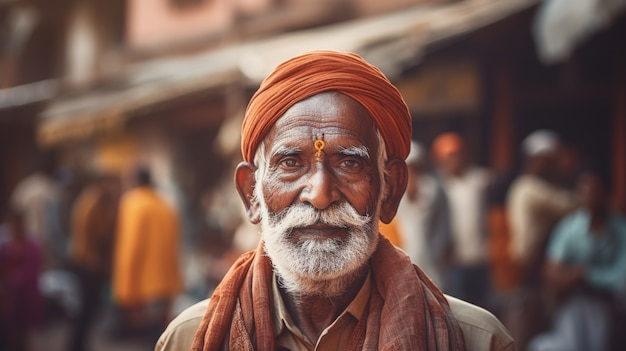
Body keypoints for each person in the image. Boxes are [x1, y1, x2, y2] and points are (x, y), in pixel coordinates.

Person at [156, 50, 514, 351]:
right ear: (251, 193)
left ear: (390, 190)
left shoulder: (478, 340)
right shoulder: (185, 339)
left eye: (349, 163)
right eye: (291, 163)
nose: (321, 194)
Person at [528, 168, 626, 351]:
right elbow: (551, 269)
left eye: (594, 191)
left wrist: (584, 274)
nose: (589, 197)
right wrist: (567, 277)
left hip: (609, 306)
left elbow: (621, 277)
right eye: (584, 191)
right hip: (573, 303)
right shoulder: (569, 227)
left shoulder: (620, 229)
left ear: (606, 193)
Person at [503, 129, 575, 350]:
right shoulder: (530, 188)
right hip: (526, 271)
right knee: (521, 332)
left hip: (530, 272)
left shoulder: (528, 186)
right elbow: (570, 204)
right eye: (549, 161)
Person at [112, 167, 182, 342]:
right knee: (160, 335)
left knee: (145, 335)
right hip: (164, 281)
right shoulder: (165, 204)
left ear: (135, 182)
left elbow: (131, 244)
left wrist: (125, 287)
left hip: (141, 282)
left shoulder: (132, 203)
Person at [432, 132, 492, 308]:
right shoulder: (438, 187)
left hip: (481, 258)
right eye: (449, 156)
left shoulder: (479, 180)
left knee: (483, 310)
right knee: (460, 311)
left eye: (458, 154)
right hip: (455, 262)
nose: (455, 160)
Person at [66, 173, 120, 351]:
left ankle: (78, 344)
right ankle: (76, 345)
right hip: (89, 263)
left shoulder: (87, 198)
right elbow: (101, 232)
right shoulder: (95, 203)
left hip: (82, 260)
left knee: (84, 309)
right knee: (86, 310)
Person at [389, 140, 452, 287]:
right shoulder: (391, 192)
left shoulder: (434, 190)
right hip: (402, 261)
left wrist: (440, 252)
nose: (411, 175)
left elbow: (443, 226)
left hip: (431, 261)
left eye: (414, 170)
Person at [0, 207, 43, 351]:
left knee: (21, 332)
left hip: (24, 295)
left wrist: (13, 281)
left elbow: (32, 270)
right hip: (7, 295)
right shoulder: (5, 243)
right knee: (8, 330)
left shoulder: (31, 245)